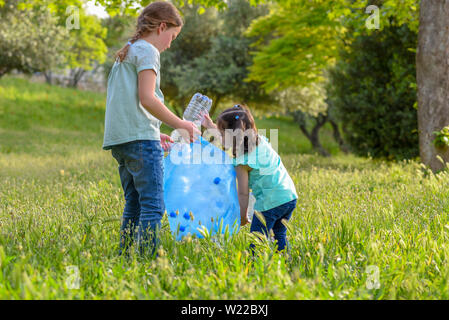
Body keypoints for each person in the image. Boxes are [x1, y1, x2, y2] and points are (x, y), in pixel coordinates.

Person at [102, 2, 200, 257]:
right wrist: (181, 124)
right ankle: (146, 261)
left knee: (134, 203)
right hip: (139, 141)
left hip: (122, 141)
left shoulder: (128, 51)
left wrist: (154, 132)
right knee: (154, 206)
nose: (170, 44)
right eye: (172, 37)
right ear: (162, 27)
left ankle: (125, 256)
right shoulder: (148, 52)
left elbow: (126, 103)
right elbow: (147, 98)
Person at [202, 104, 298, 253]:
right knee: (279, 233)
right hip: (289, 196)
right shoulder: (260, 141)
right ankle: (286, 261)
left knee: (257, 239)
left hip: (269, 202)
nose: (219, 137)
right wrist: (211, 126)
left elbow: (243, 193)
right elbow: (230, 139)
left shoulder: (243, 162)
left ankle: (254, 266)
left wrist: (242, 216)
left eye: (221, 133)